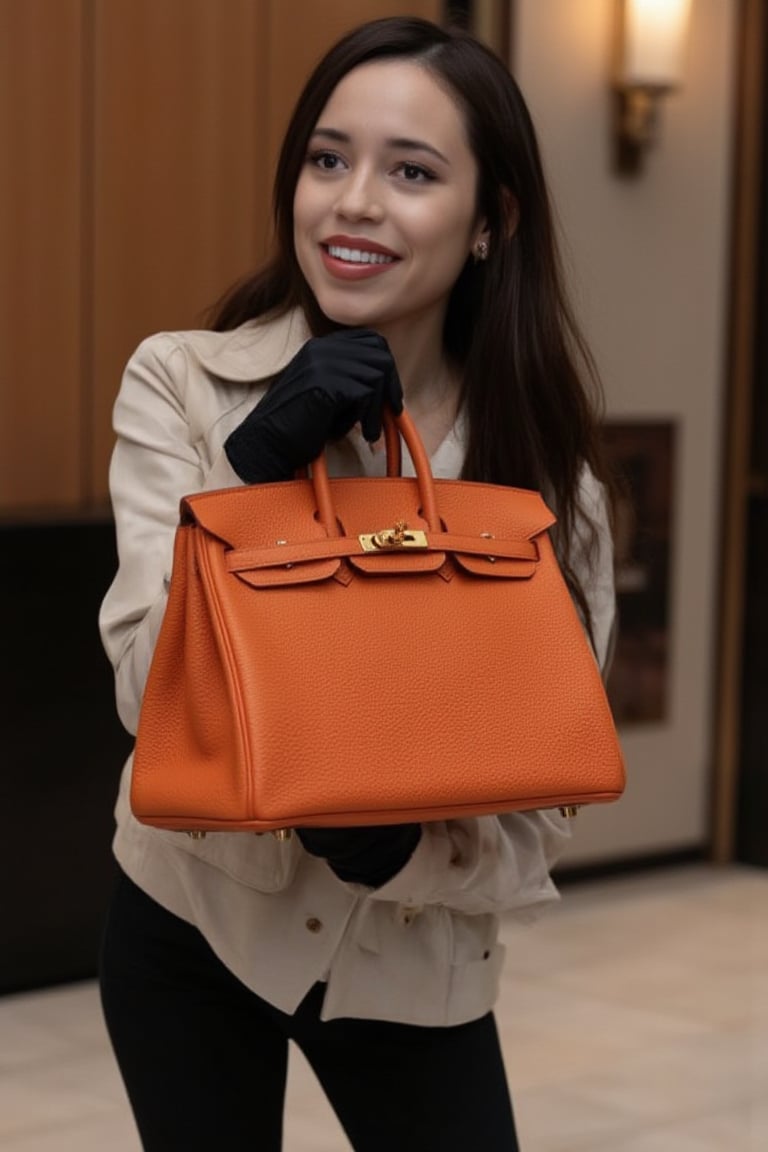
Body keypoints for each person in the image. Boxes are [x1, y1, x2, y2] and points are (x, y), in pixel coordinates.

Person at [98, 15, 616, 1152]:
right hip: (194, 923)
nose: (353, 201)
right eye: (328, 159)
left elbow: (549, 809)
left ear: (492, 221)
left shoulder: (544, 489)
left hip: (411, 960)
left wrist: (412, 851)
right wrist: (253, 470)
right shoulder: (186, 387)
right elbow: (150, 699)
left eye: (412, 171)